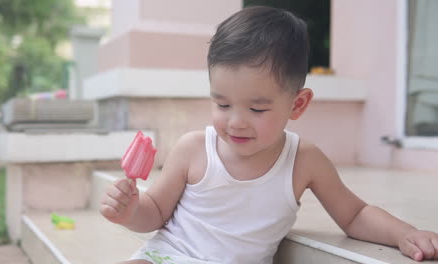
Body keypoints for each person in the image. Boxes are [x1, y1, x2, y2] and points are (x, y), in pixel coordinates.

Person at [100, 6, 438, 264]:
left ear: (298, 104)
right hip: (169, 256)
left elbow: (354, 215)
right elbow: (155, 211)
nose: (235, 122)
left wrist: (405, 234)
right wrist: (131, 212)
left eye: (257, 109)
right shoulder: (194, 149)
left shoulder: (304, 161)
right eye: (222, 103)